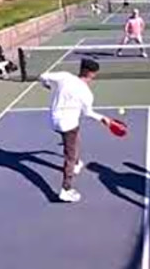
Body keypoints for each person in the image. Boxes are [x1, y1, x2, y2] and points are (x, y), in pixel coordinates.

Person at [39, 59, 113, 203]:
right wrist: (102, 118)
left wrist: (46, 85)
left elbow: (43, 76)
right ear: (90, 73)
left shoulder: (65, 76)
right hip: (68, 125)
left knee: (72, 140)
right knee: (69, 156)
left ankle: (77, 163)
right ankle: (66, 189)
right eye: (94, 74)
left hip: (53, 121)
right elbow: (88, 112)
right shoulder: (87, 93)